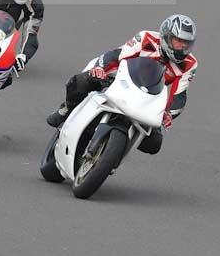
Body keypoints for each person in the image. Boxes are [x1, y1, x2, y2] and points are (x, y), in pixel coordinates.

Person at [46, 14, 198, 155]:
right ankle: (66, 108)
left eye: (186, 43)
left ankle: (114, 154)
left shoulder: (190, 64)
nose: (182, 47)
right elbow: (118, 55)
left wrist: (168, 114)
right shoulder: (147, 38)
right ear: (166, 36)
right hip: (116, 77)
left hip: (146, 96)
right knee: (81, 82)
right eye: (178, 41)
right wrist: (100, 69)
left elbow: (179, 94)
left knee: (154, 144)